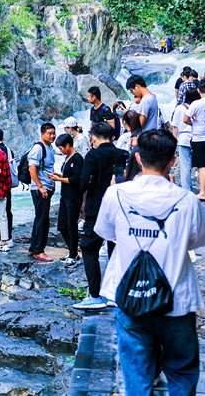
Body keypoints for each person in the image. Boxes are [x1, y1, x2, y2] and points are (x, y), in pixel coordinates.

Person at [95, 130, 205, 396]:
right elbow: (197, 240)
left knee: (136, 374)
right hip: (177, 299)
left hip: (129, 295)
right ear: (172, 161)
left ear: (137, 157)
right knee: (182, 371)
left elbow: (106, 233)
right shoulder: (188, 200)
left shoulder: (116, 194)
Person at [74, 122, 129, 309]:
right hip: (121, 210)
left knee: (89, 249)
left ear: (93, 138)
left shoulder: (93, 155)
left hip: (97, 209)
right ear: (113, 137)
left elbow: (84, 183)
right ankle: (116, 294)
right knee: (117, 251)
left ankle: (95, 295)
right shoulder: (123, 155)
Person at [49, 133, 83, 266]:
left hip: (74, 196)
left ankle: (74, 254)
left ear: (68, 145)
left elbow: (76, 178)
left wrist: (59, 179)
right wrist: (60, 175)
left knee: (71, 226)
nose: (61, 151)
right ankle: (72, 252)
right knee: (62, 225)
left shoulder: (77, 158)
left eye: (61, 148)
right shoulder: (68, 157)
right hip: (65, 196)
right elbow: (69, 175)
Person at [28, 122, 57, 261]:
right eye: (49, 133)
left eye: (53, 133)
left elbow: (48, 168)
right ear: (42, 134)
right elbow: (32, 168)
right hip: (40, 189)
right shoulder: (38, 148)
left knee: (40, 218)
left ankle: (33, 248)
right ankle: (39, 250)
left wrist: (53, 183)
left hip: (46, 187)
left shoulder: (49, 147)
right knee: (43, 219)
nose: (52, 136)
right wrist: (40, 186)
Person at [172, 89, 201, 192]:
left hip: (183, 139)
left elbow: (175, 127)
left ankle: (187, 189)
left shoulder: (179, 108)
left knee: (185, 166)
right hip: (197, 137)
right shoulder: (198, 107)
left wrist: (174, 141)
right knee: (201, 165)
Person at [0, 128, 16, 246]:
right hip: (7, 184)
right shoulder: (8, 150)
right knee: (7, 210)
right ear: (2, 137)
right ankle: (9, 238)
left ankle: (0, 239)